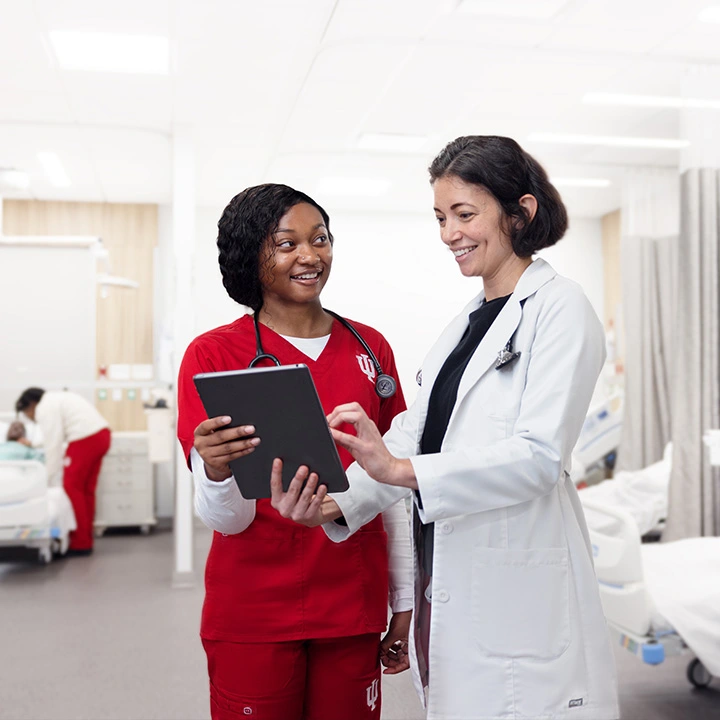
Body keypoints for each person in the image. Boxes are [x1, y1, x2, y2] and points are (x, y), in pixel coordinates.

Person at [270, 137, 620, 720]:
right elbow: (415, 435)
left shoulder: (561, 308)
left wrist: (400, 469)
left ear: (520, 212)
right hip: (456, 571)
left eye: (464, 214)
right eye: (440, 217)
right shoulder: (466, 323)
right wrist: (335, 502)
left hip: (518, 588)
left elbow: (538, 456)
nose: (448, 233)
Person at [176, 184, 413, 720]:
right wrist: (214, 470)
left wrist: (404, 602)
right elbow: (225, 520)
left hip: (352, 600)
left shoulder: (370, 348)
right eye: (286, 244)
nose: (310, 256)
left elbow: (394, 486)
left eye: (320, 239)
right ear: (248, 256)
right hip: (253, 607)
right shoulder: (213, 354)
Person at [15, 387, 110, 555]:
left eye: (26, 413)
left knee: (72, 488)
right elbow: (52, 438)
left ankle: (80, 543)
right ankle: (86, 538)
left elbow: (53, 447)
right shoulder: (56, 399)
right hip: (101, 436)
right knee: (86, 491)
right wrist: (33, 444)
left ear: (31, 405)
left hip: (84, 439)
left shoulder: (44, 407)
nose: (30, 418)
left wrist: (46, 479)